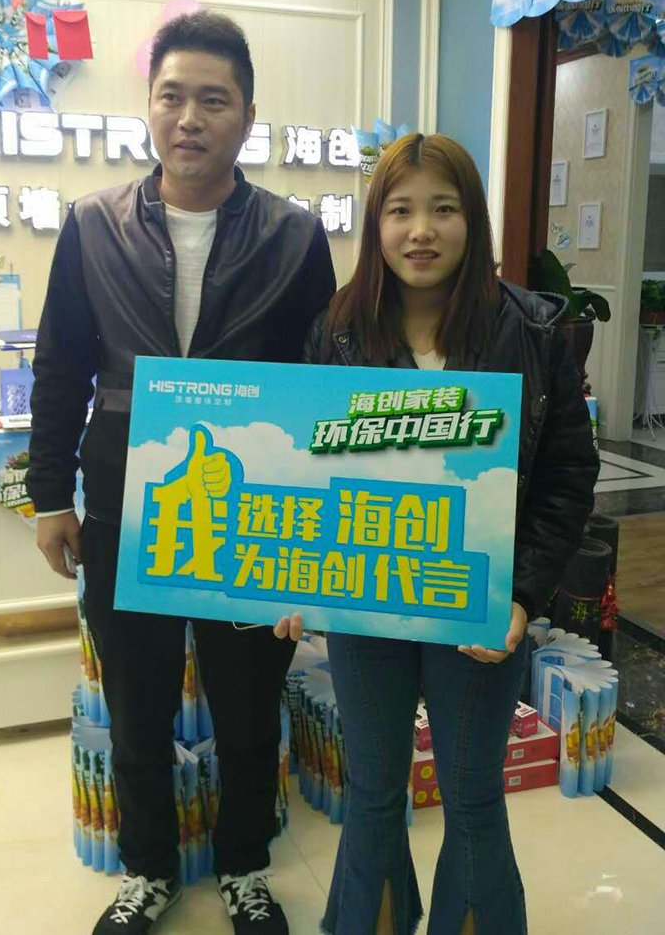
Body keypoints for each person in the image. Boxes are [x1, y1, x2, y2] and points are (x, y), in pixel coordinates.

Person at [28, 10, 336, 935]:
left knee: (248, 706)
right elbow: (61, 367)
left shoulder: (294, 236)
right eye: (172, 97)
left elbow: (320, 382)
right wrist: (49, 495)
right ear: (150, 106)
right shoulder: (93, 226)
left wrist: (320, 527)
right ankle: (148, 870)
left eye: (213, 99)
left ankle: (244, 865)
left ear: (248, 116)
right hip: (129, 507)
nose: (190, 118)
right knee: (138, 707)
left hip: (254, 511)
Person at [274, 133, 599, 935]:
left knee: (473, 793)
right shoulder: (336, 331)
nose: (421, 230)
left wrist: (521, 595)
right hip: (366, 608)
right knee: (374, 791)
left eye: (443, 209)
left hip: (478, 608)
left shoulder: (533, 331)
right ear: (377, 225)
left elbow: (566, 476)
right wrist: (289, 579)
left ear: (472, 221)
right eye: (401, 210)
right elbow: (300, 469)